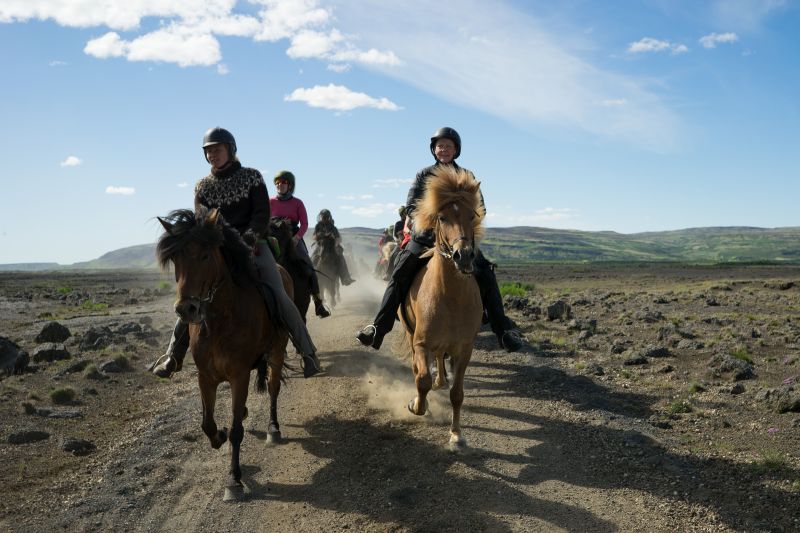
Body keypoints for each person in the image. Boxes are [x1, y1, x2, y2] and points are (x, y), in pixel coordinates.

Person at [149, 127, 323, 379]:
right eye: (208, 151)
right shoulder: (202, 186)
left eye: (217, 150)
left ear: (230, 150)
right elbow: (202, 221)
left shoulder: (251, 178)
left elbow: (262, 213)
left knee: (277, 292)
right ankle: (173, 355)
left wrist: (249, 237)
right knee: (191, 298)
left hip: (253, 246)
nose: (212, 155)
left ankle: (308, 353)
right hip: (218, 251)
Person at [356, 127, 524, 352]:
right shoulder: (424, 176)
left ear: (456, 150)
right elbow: (411, 205)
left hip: (458, 238)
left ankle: (503, 332)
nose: (443, 149)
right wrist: (431, 219)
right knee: (399, 272)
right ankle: (378, 328)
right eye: (440, 146)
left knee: (486, 273)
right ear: (434, 150)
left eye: (448, 146)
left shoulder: (467, 176)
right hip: (426, 237)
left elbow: (480, 206)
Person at [269, 170, 331, 318]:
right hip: (274, 237)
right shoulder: (269, 201)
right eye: (277, 182)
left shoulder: (298, 203)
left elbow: (304, 224)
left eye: (283, 182)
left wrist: (297, 238)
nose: (279, 185)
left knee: (309, 267)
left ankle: (318, 303)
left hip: (293, 237)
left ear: (290, 185)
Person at [312, 209, 356, 286]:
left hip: (331, 245)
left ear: (328, 217)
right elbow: (314, 236)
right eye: (323, 217)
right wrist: (319, 235)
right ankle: (310, 277)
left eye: (326, 217)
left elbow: (338, 238)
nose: (324, 218)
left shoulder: (332, 226)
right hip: (320, 245)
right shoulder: (318, 226)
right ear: (321, 217)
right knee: (312, 257)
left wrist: (335, 242)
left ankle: (345, 277)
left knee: (341, 257)